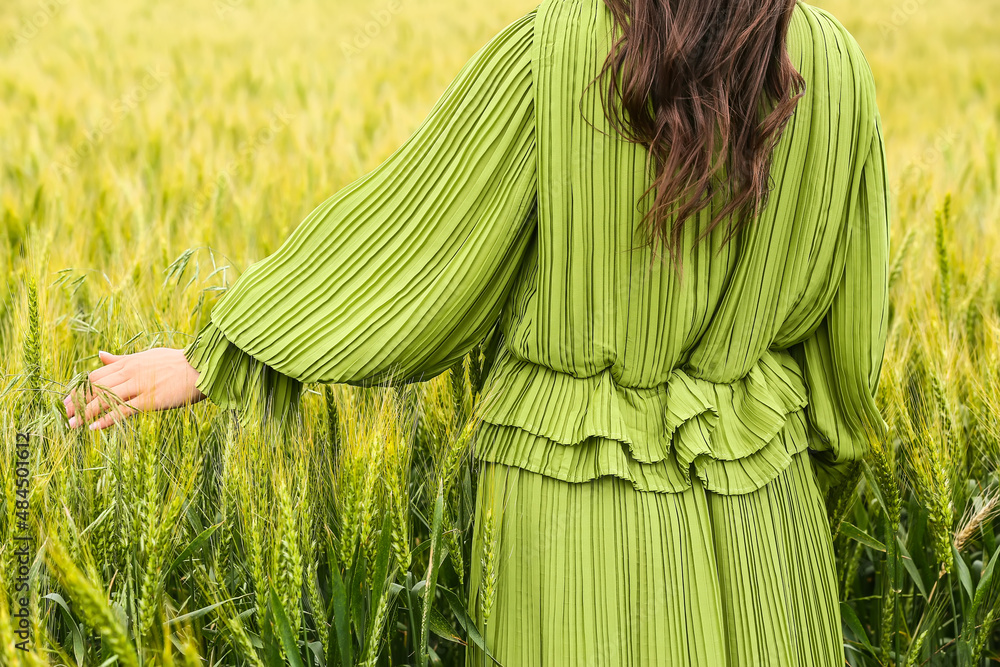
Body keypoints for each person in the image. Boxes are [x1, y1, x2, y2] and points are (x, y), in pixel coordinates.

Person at [64, 0, 890, 663]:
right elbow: (852, 346)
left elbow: (414, 248)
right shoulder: (835, 68)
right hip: (763, 516)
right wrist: (761, 437)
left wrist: (223, 352)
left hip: (576, 511)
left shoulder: (559, 50)